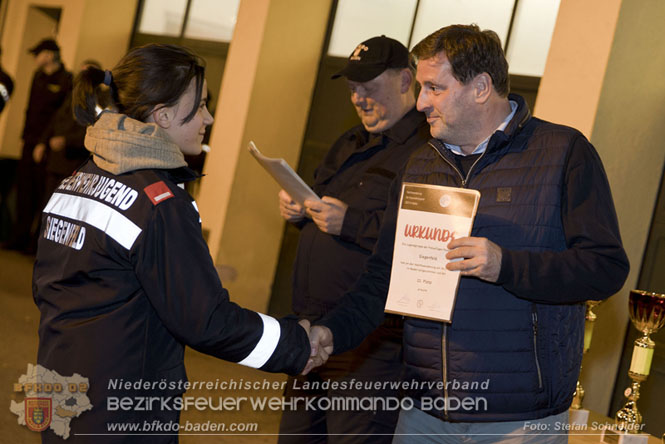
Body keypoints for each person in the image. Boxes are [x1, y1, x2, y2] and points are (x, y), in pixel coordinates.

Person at [309, 24, 629, 443]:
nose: (420, 102)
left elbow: (604, 268)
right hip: (423, 413)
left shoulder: (563, 153)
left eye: (434, 88)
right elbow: (382, 276)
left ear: (480, 87)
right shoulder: (420, 165)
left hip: (519, 421)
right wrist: (330, 331)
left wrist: (505, 265)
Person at [33, 44, 314, 443]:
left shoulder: (79, 179)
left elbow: (45, 288)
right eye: (199, 106)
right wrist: (297, 344)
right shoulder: (159, 203)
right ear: (162, 115)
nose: (209, 117)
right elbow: (206, 321)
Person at [277, 35, 430, 443]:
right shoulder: (350, 141)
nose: (359, 99)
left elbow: (422, 245)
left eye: (369, 88)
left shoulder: (425, 153)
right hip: (311, 333)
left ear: (405, 81)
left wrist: (353, 223)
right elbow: (319, 203)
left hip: (369, 346)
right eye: (352, 90)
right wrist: (299, 211)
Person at [3, 38, 72, 253]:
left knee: (42, 195)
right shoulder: (38, 77)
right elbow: (30, 110)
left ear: (50, 55)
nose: (35, 58)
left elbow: (58, 118)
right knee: (24, 193)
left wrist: (44, 142)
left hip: (47, 148)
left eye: (38, 53)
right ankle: (19, 238)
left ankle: (35, 244)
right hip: (29, 143)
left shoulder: (66, 80)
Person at [33, 59, 102, 213]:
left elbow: (93, 131)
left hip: (74, 164)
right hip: (56, 161)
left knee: (64, 208)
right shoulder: (72, 95)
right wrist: (42, 142)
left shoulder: (99, 102)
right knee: (46, 206)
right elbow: (55, 120)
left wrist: (67, 141)